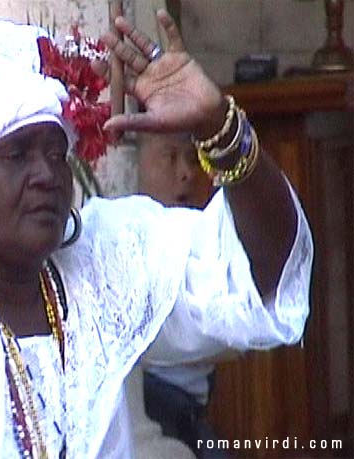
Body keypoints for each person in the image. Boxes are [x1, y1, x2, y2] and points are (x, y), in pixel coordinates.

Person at [0, 10, 312, 459]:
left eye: (54, 152)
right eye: (16, 154)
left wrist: (220, 129)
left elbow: (260, 274)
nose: (46, 174)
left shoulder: (104, 265)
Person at [137, 131, 227, 459]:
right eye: (170, 157)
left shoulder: (205, 238)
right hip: (154, 412)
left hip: (192, 417)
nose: (187, 172)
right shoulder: (120, 245)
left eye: (192, 158)